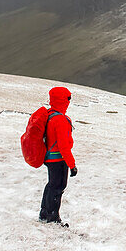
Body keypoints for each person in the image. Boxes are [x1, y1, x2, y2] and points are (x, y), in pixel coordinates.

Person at [39, 86, 77, 226]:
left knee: (51, 185)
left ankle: (44, 213)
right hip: (58, 159)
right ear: (63, 100)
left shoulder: (49, 115)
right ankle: (53, 217)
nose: (69, 102)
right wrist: (72, 165)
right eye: (68, 99)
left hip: (49, 157)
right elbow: (64, 146)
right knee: (58, 186)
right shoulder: (60, 120)